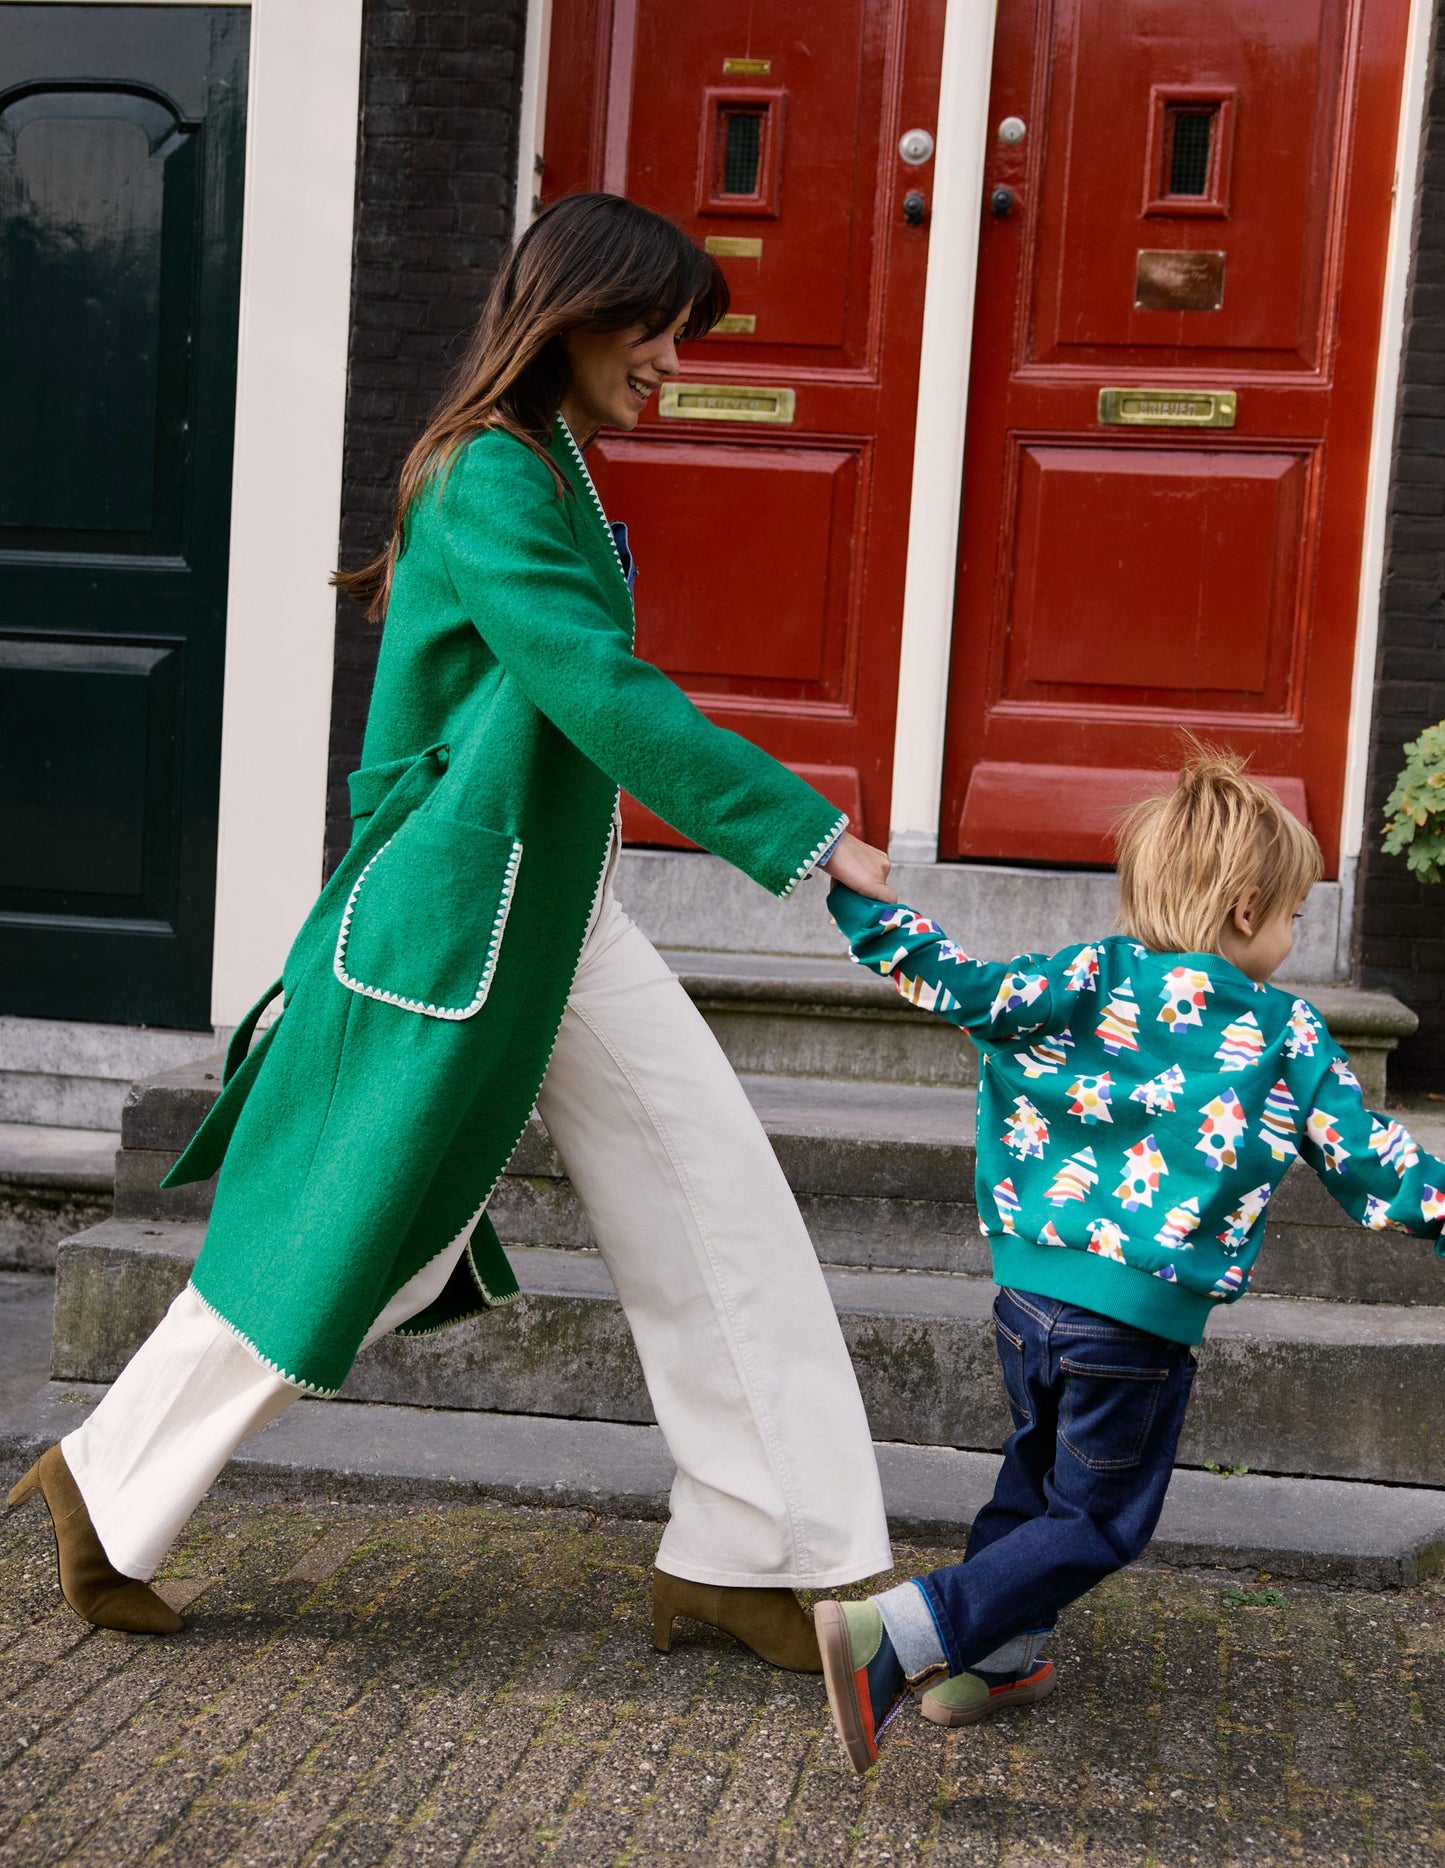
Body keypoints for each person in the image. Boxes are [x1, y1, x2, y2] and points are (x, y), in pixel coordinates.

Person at [8, 193, 896, 1661]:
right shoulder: (491, 478)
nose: (670, 358)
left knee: (713, 1206)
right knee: (340, 1235)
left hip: (548, 914)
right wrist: (811, 839)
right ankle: (102, 1484)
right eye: (654, 326)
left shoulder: (542, 471)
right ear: (574, 311)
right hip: (461, 926)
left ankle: (758, 1548)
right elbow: (597, 691)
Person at [814, 746, 1445, 1771]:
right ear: (1244, 908)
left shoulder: (1081, 974)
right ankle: (907, 1629)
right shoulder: (1284, 1031)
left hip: (1026, 1300)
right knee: (1098, 1517)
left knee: (1033, 1476)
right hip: (1135, 1325)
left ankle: (997, 1653)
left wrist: (858, 904)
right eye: (1290, 913)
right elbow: (1369, 1163)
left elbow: (955, 983)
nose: (1291, 935)